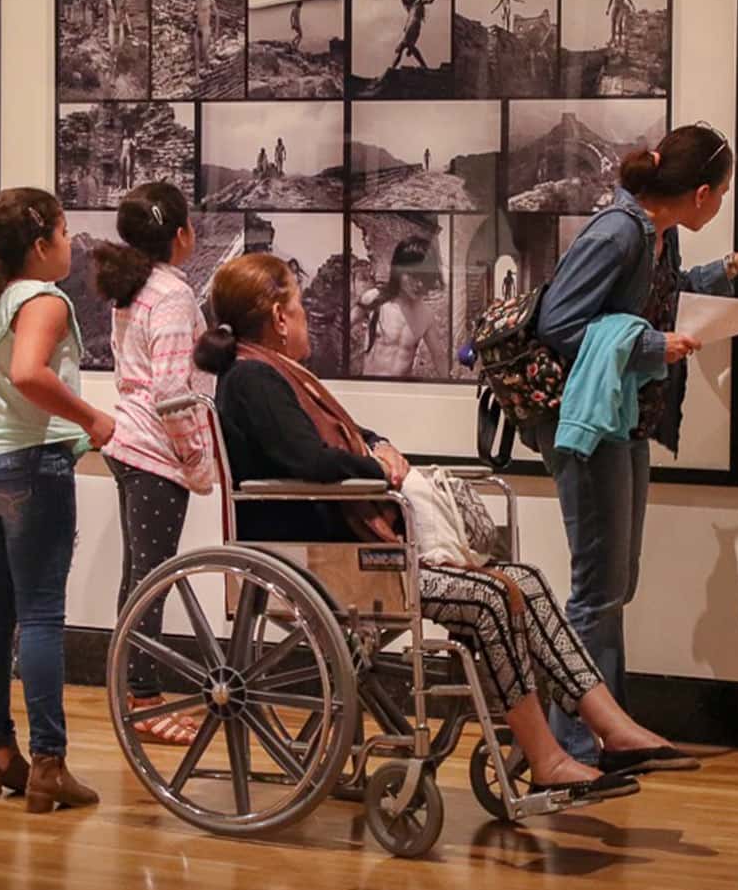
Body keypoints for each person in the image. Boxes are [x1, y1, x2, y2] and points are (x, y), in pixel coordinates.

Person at [197, 253, 697, 789]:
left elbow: (333, 439)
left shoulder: (270, 375)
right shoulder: (254, 380)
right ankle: (549, 756)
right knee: (490, 598)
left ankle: (610, 726)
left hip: (348, 545)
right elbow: (311, 461)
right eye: (297, 306)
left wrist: (377, 444)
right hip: (326, 559)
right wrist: (377, 467)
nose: (304, 317)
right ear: (277, 318)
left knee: (521, 581)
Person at [532, 123, 738, 765]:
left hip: (622, 418)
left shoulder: (653, 232)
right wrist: (654, 346)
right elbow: (559, 321)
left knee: (616, 583)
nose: (724, 201)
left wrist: (735, 264)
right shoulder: (619, 232)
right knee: (597, 587)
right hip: (588, 422)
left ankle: (606, 731)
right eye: (724, 191)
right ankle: (573, 742)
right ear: (701, 193)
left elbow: (661, 298)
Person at [0, 188, 114, 813]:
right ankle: (50, 764)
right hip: (31, 469)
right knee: (39, 616)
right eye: (64, 234)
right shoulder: (41, 299)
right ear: (41, 245)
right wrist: (92, 419)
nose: (70, 246)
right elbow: (30, 373)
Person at [92, 183, 214, 747]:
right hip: (155, 453)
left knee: (139, 577)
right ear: (182, 233)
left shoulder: (134, 287)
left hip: (129, 444)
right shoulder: (170, 296)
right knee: (151, 580)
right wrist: (195, 458)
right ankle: (142, 701)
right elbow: (171, 389)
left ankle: (131, 693)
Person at [356, 236, 448, 378]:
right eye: (412, 275)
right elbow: (343, 326)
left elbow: (439, 356)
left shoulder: (425, 315)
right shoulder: (376, 298)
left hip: (402, 393)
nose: (418, 284)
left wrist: (450, 389)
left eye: (424, 278)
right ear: (398, 271)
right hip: (371, 389)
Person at [390, 0, 440, 70]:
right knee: (404, 47)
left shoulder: (418, 2)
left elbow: (428, 1)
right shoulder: (410, 9)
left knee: (402, 46)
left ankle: (393, 67)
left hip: (413, 25)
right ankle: (422, 64)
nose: (407, 0)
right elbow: (409, 22)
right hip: (410, 27)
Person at [191, 0, 216, 75]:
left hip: (206, 28)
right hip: (198, 27)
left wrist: (216, 30)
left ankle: (208, 68)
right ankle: (197, 75)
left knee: (204, 50)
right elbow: (195, 11)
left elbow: (217, 14)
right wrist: (191, 15)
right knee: (197, 53)